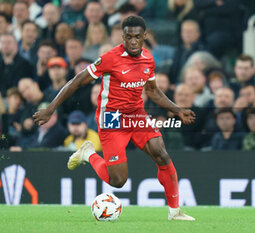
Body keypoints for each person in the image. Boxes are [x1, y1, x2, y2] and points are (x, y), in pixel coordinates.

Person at [33, 16, 196, 221]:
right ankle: (88, 153)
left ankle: (175, 212)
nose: (133, 41)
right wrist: (50, 109)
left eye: (138, 36)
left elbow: (153, 91)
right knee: (118, 181)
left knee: (161, 153)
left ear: (145, 36)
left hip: (136, 115)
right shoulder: (110, 58)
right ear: (123, 37)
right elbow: (76, 81)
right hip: (112, 119)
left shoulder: (148, 58)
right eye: (129, 37)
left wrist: (177, 109)